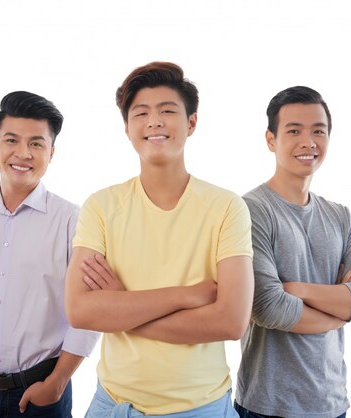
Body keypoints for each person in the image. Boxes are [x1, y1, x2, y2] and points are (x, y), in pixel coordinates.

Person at [64, 62, 254, 417]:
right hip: (113, 405)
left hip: (200, 407)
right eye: (141, 113)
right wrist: (186, 296)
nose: (154, 121)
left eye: (167, 111)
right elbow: (80, 310)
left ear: (191, 123)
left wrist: (121, 308)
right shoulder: (101, 206)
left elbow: (230, 321)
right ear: (127, 128)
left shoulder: (227, 207)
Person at [0, 91, 99, 418]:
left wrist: (58, 380)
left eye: (36, 144)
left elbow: (89, 309)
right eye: (11, 140)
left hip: (43, 390)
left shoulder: (73, 220)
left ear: (51, 153)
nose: (22, 153)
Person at [235, 86, 351, 418]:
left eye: (319, 131)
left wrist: (300, 290)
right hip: (268, 406)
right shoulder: (250, 211)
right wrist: (341, 306)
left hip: (332, 404)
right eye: (294, 131)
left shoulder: (340, 216)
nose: (309, 141)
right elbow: (268, 306)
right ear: (270, 140)